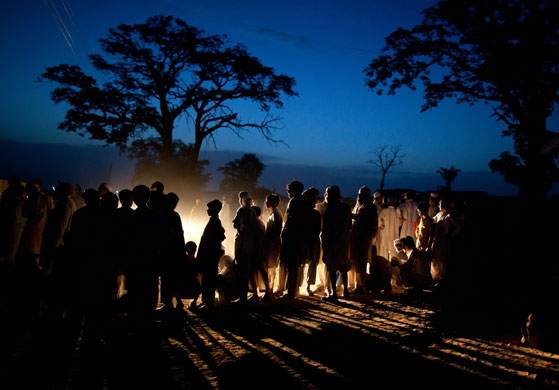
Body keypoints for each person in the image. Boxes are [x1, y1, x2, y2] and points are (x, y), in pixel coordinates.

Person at [321, 185, 351, 303]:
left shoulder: (330, 209)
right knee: (343, 266)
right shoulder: (345, 207)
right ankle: (346, 291)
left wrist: (324, 239)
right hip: (343, 241)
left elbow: (327, 228)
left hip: (332, 242)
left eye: (327, 193)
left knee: (332, 267)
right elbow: (349, 225)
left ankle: (334, 292)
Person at [279, 180, 307, 299]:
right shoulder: (302, 202)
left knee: (291, 265)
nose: (288, 192)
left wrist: (285, 232)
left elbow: (291, 220)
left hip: (292, 237)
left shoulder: (294, 201)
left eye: (289, 190)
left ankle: (290, 292)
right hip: (298, 236)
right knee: (294, 265)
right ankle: (293, 290)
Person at [198, 200, 226, 310]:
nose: (207, 210)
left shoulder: (215, 222)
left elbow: (216, 238)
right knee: (207, 278)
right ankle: (206, 300)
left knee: (208, 279)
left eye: (209, 209)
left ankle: (208, 302)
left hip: (209, 255)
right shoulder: (214, 221)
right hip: (210, 255)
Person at [349, 186, 378, 294]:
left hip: (364, 238)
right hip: (355, 238)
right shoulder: (358, 205)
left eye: (362, 194)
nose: (359, 196)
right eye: (359, 194)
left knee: (362, 262)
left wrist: (351, 215)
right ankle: (356, 284)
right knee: (355, 261)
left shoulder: (371, 207)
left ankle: (361, 285)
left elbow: (369, 222)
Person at [232, 191, 259, 304]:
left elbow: (236, 224)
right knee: (249, 269)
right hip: (251, 243)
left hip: (243, 243)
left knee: (242, 269)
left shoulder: (242, 210)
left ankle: (243, 296)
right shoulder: (252, 211)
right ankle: (254, 294)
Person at [431, 197, 461, 288]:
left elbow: (459, 226)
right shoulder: (439, 214)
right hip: (437, 240)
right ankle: (434, 278)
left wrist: (451, 235)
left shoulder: (449, 215)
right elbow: (432, 221)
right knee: (435, 259)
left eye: (439, 204)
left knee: (443, 261)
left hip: (444, 240)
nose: (438, 206)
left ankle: (442, 280)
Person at [302, 187, 322, 296]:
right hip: (305, 240)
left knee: (311, 263)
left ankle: (308, 286)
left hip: (312, 240)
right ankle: (300, 285)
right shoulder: (302, 212)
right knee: (302, 263)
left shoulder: (316, 213)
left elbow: (318, 229)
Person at [262, 194, 282, 294]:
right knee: (270, 267)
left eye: (268, 201)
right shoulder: (273, 214)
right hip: (271, 243)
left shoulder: (275, 215)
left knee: (271, 267)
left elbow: (277, 229)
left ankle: (269, 290)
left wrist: (270, 239)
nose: (266, 203)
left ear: (274, 203)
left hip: (272, 244)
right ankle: (269, 290)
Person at [250, 205, 271, 301]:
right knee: (261, 270)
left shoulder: (256, 223)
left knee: (254, 270)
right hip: (260, 249)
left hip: (256, 249)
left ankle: (256, 293)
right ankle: (265, 290)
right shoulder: (260, 222)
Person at [377, 196, 399, 260]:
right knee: (393, 251)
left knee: (384, 252)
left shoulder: (384, 211)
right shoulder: (396, 212)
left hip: (385, 234)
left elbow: (379, 223)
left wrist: (381, 227)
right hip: (394, 235)